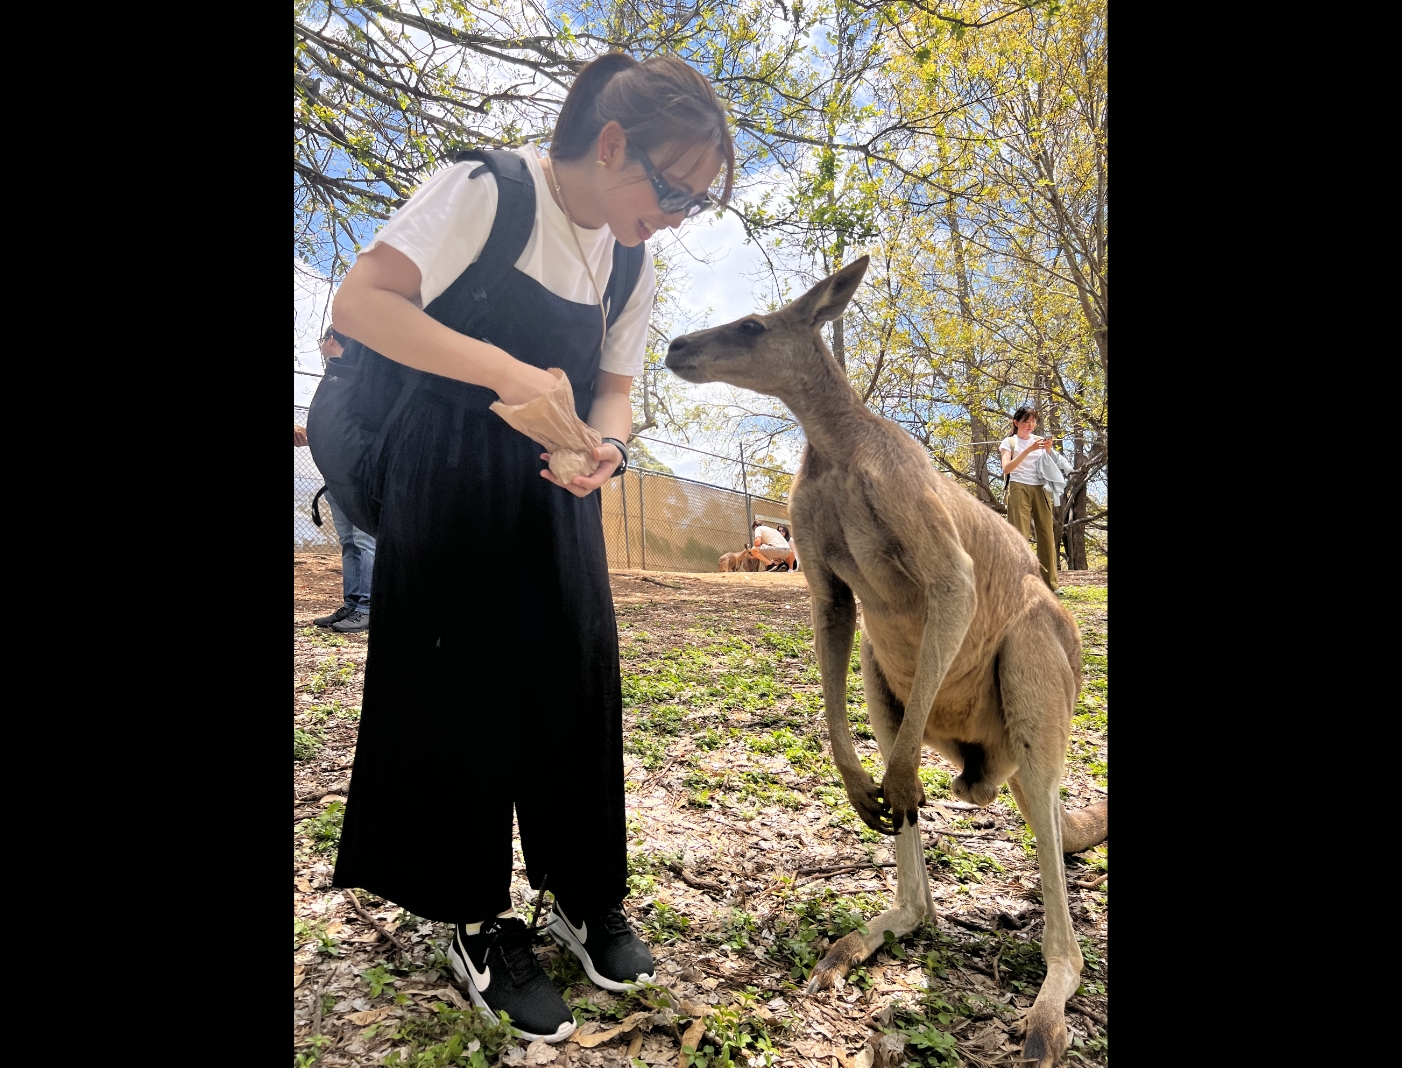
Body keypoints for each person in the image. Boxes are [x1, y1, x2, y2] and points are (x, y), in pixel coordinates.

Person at [326, 53, 735, 1043]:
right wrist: (508, 372)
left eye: (696, 204)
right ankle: (470, 916)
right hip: (445, 462)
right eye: (672, 189)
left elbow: (617, 386)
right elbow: (363, 302)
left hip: (558, 482)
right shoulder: (489, 189)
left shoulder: (631, 257)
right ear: (609, 145)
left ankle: (582, 892)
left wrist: (609, 445)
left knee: (575, 677)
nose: (675, 217)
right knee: (458, 679)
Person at [301, 328, 376, 634]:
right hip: (335, 479)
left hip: (358, 478)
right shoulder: (335, 380)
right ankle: (352, 603)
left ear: (332, 340)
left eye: (322, 339)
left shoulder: (363, 377)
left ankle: (368, 607)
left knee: (364, 540)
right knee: (348, 542)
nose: (320, 346)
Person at [999, 405, 1070, 593]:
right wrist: (1028, 450)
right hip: (1017, 487)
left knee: (1046, 534)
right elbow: (1007, 468)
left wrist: (1047, 450)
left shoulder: (1038, 440)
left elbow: (1047, 465)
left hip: (1041, 488)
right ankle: (1018, 584)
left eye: (1033, 421)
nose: (1030, 425)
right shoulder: (1009, 443)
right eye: (1026, 421)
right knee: (1019, 535)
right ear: (1016, 422)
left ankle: (1050, 585)